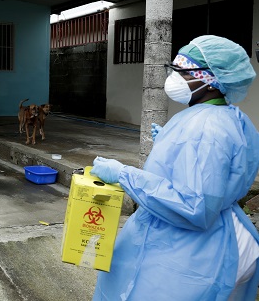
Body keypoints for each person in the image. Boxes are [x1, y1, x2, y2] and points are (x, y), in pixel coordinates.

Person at [90, 35, 259, 300]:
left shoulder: (205, 128)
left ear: (211, 82)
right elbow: (229, 168)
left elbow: (195, 206)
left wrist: (124, 174)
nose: (174, 77)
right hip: (221, 229)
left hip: (191, 248)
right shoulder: (230, 116)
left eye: (183, 71)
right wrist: (172, 144)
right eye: (174, 69)